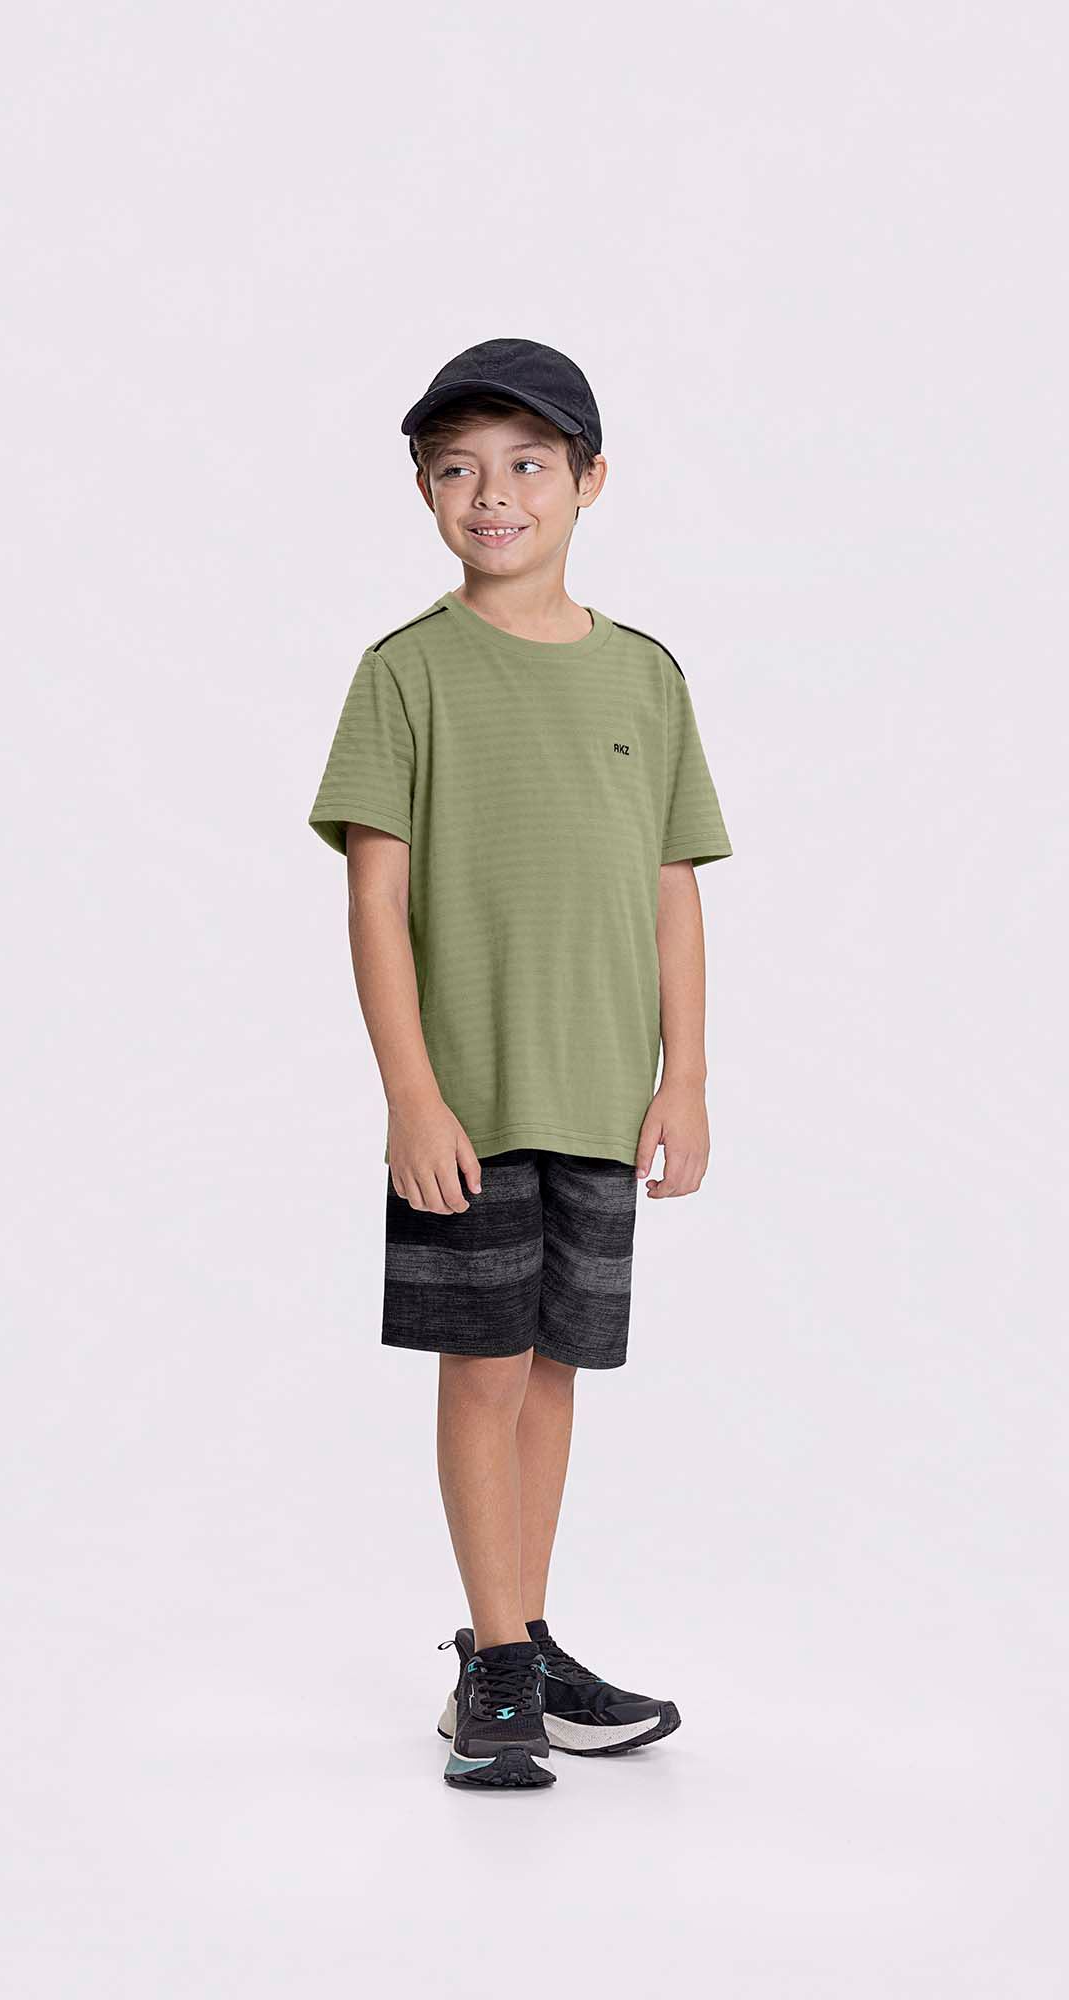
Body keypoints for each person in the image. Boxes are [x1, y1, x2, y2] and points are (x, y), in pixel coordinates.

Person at [307, 337, 733, 1791]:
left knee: (555, 1368)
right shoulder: (406, 673)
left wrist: (684, 1077)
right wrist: (411, 1096)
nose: (492, 495)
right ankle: (490, 1666)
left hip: (601, 1095)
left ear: (590, 480)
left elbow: (673, 886)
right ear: (426, 492)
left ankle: (526, 1643)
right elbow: (374, 899)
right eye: (457, 470)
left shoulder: (647, 677)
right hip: (469, 1104)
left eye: (527, 464)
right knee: (483, 1366)